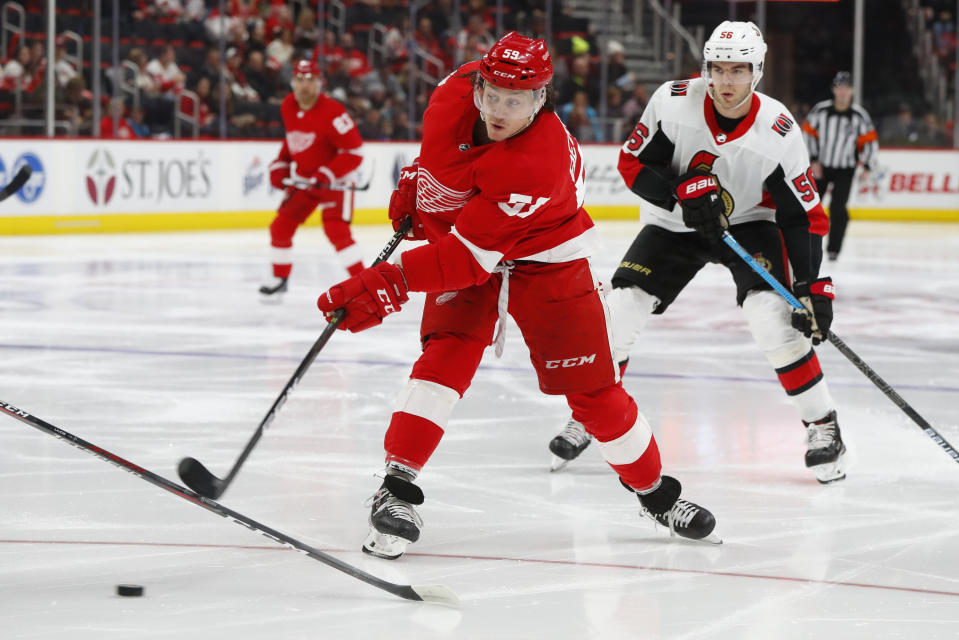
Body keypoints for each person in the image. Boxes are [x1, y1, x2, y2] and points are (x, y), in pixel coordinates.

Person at [316, 32, 720, 560]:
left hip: (547, 259)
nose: (499, 110)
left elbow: (462, 262)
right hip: (471, 235)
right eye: (492, 95)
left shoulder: (535, 160)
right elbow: (437, 158)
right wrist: (422, 187)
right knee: (446, 352)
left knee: (593, 392)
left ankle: (656, 494)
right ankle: (396, 489)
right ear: (476, 84)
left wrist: (384, 283)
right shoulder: (451, 92)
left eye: (517, 101)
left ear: (541, 99)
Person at [547, 21, 847, 485]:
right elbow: (633, 164)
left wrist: (812, 287)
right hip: (676, 222)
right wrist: (679, 194)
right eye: (717, 69)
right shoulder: (673, 101)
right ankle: (593, 414)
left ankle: (822, 422)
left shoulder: (778, 130)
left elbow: (801, 216)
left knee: (773, 318)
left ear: (757, 72)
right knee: (620, 310)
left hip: (749, 224)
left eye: (738, 71)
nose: (726, 82)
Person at [261, 59, 366, 299]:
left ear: (320, 83)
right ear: (292, 83)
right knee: (281, 226)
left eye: (310, 81)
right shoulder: (288, 105)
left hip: (335, 180)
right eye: (299, 80)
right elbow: (294, 141)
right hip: (307, 180)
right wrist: (281, 164)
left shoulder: (334, 112)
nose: (304, 86)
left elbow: (354, 152)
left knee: (336, 230)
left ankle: (363, 283)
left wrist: (326, 174)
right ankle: (280, 278)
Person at [801, 71, 878, 261]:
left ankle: (833, 249)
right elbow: (807, 134)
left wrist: (867, 166)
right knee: (811, 206)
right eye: (840, 87)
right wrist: (813, 160)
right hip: (822, 167)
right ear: (834, 89)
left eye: (847, 88)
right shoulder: (821, 111)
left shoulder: (859, 116)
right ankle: (807, 243)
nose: (843, 92)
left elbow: (869, 141)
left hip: (846, 168)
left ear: (852, 91)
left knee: (838, 208)